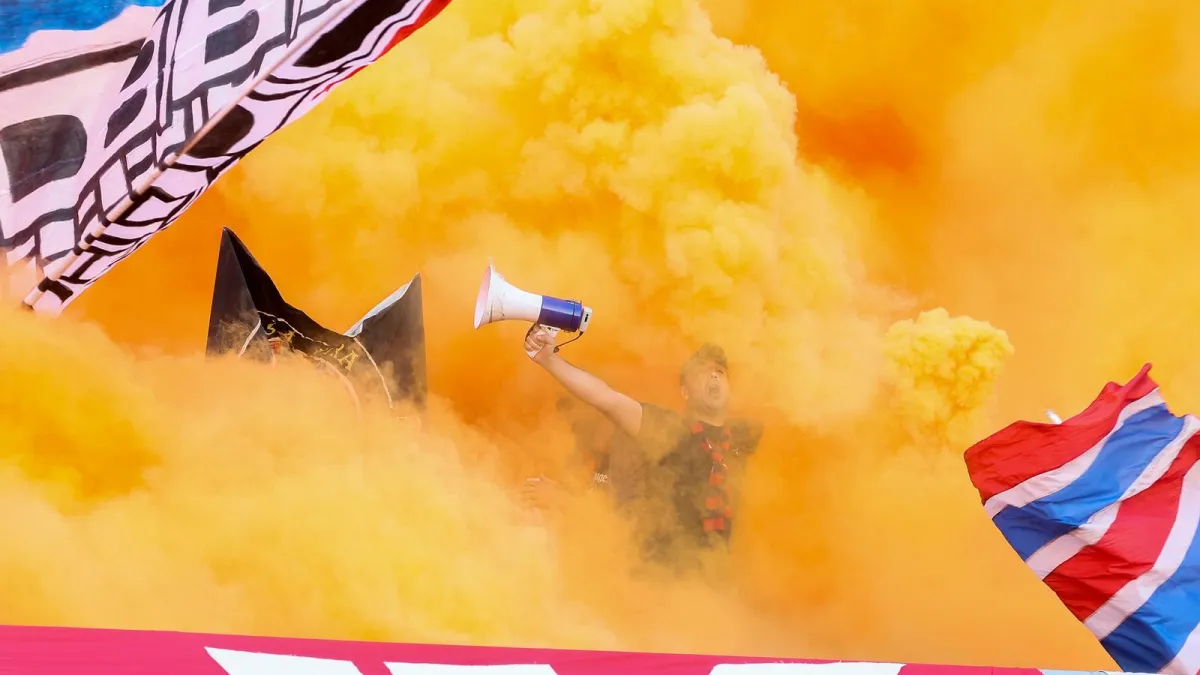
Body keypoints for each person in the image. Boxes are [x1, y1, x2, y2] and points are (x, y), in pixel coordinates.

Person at [524, 325, 763, 567]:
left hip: (716, 581)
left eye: (720, 372)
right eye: (702, 372)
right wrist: (548, 359)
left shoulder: (745, 437)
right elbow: (606, 397)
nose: (713, 376)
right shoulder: (667, 429)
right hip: (662, 576)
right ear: (685, 391)